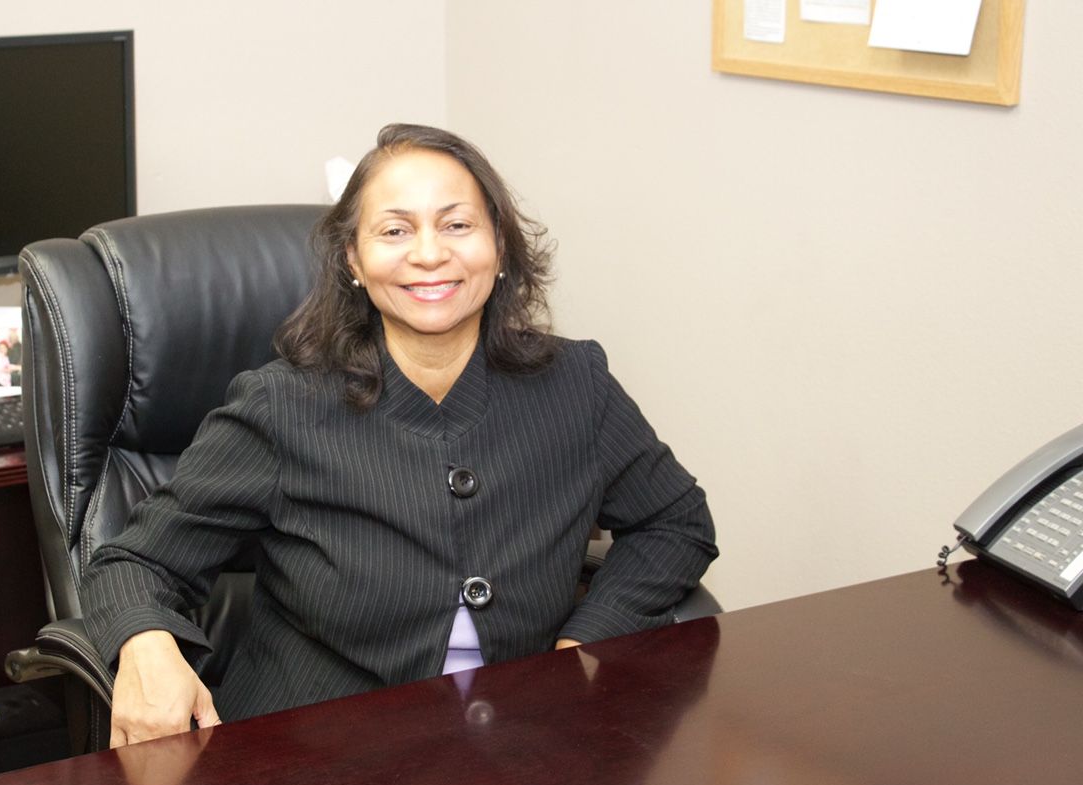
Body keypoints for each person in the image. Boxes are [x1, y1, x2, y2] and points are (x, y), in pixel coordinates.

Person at [81, 123, 717, 747]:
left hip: (525, 752)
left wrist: (590, 637)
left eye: (457, 224)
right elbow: (134, 562)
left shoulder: (575, 384)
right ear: (354, 260)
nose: (429, 253)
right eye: (394, 230)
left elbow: (676, 523)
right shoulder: (284, 406)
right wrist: (146, 643)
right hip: (314, 765)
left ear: (499, 245)